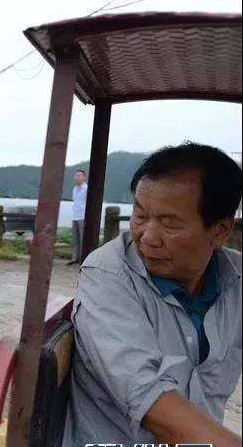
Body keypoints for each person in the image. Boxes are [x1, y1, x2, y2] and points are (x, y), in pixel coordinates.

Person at [64, 143, 242, 446]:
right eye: (140, 216)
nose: (146, 237)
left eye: (169, 223)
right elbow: (149, 400)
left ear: (220, 230)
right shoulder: (108, 274)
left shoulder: (235, 279)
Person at [68, 169, 87, 265]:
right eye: (76, 175)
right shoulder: (74, 189)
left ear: (84, 177)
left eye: (79, 175)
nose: (77, 177)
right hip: (75, 216)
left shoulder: (86, 188)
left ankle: (83, 259)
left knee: (83, 238)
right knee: (75, 239)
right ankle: (74, 257)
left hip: (83, 216)